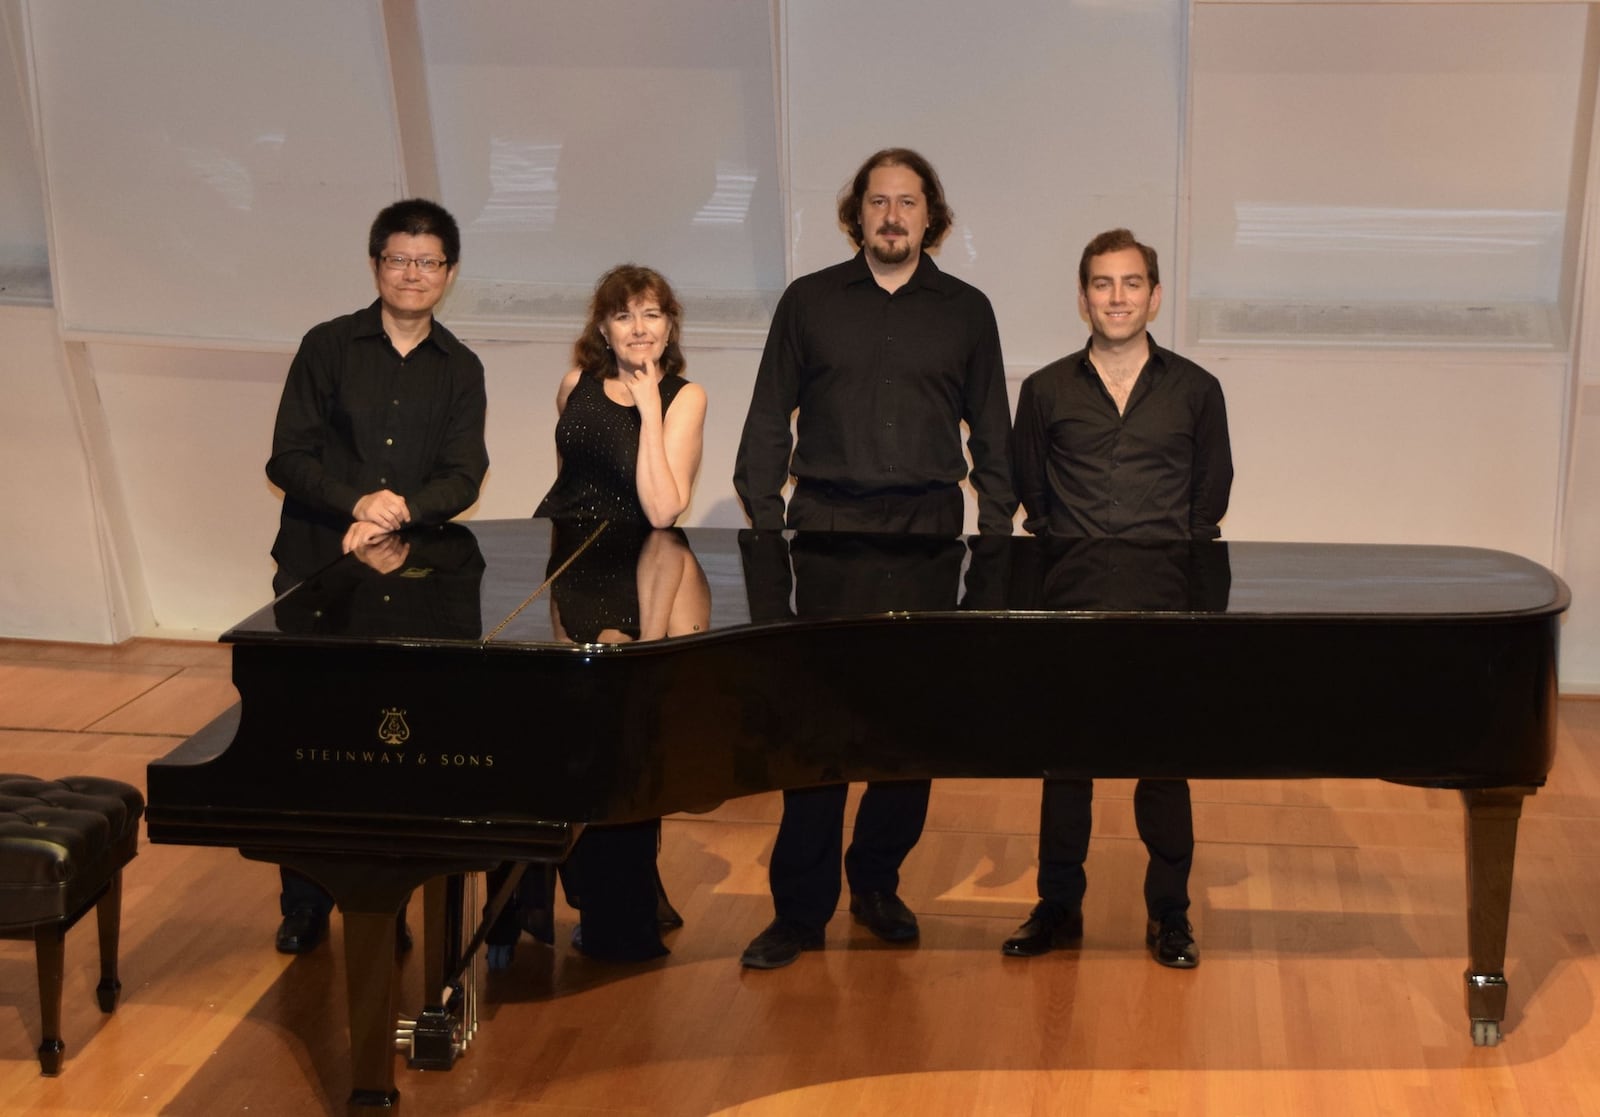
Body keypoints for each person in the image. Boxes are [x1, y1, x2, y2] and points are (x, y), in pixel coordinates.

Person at [733, 148, 1016, 969]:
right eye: (878, 202)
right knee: (815, 732)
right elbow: (764, 424)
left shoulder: (967, 311)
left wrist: (994, 540)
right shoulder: (808, 301)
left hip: (930, 533)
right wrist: (763, 527)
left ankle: (879, 880)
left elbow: (993, 433)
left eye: (909, 202)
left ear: (933, 217)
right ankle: (798, 912)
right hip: (824, 530)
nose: (892, 216)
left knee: (907, 731)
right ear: (855, 213)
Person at [264, 198, 489, 954]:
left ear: (448, 274)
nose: (412, 273)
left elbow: (465, 474)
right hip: (318, 574)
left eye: (428, 262)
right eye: (399, 258)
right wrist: (356, 500)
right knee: (307, 744)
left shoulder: (462, 367)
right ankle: (303, 903)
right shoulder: (327, 346)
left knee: (393, 749)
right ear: (375, 265)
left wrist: (397, 512)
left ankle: (384, 903)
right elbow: (288, 456)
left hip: (414, 583)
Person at [1005, 227, 1233, 969]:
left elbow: (1209, 502)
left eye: (1131, 283)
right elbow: (1032, 498)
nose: (1117, 297)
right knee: (1064, 764)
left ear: (1155, 295)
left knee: (1163, 765)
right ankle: (1058, 906)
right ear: (1082, 298)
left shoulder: (1197, 390)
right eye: (1102, 284)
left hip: (1165, 605)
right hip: (1070, 602)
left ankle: (1171, 914)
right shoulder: (1044, 391)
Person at [488, 264, 706, 965]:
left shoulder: (684, 396)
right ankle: (531, 897)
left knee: (615, 751)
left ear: (669, 325)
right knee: (550, 739)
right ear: (602, 327)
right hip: (561, 568)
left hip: (636, 574)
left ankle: (618, 901)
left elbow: (663, 508)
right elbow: (572, 479)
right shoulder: (572, 384)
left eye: (651, 314)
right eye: (623, 316)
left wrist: (646, 410)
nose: (638, 328)